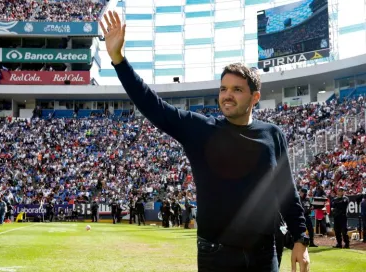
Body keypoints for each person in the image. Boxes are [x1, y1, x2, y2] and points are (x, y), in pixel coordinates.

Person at [100, 10, 309, 271]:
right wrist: (118, 59)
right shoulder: (200, 129)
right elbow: (151, 104)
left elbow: (286, 193)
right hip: (216, 255)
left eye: (237, 90)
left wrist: (301, 239)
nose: (227, 95)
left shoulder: (273, 134)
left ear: (255, 98)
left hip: (265, 255)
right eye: (223, 89)